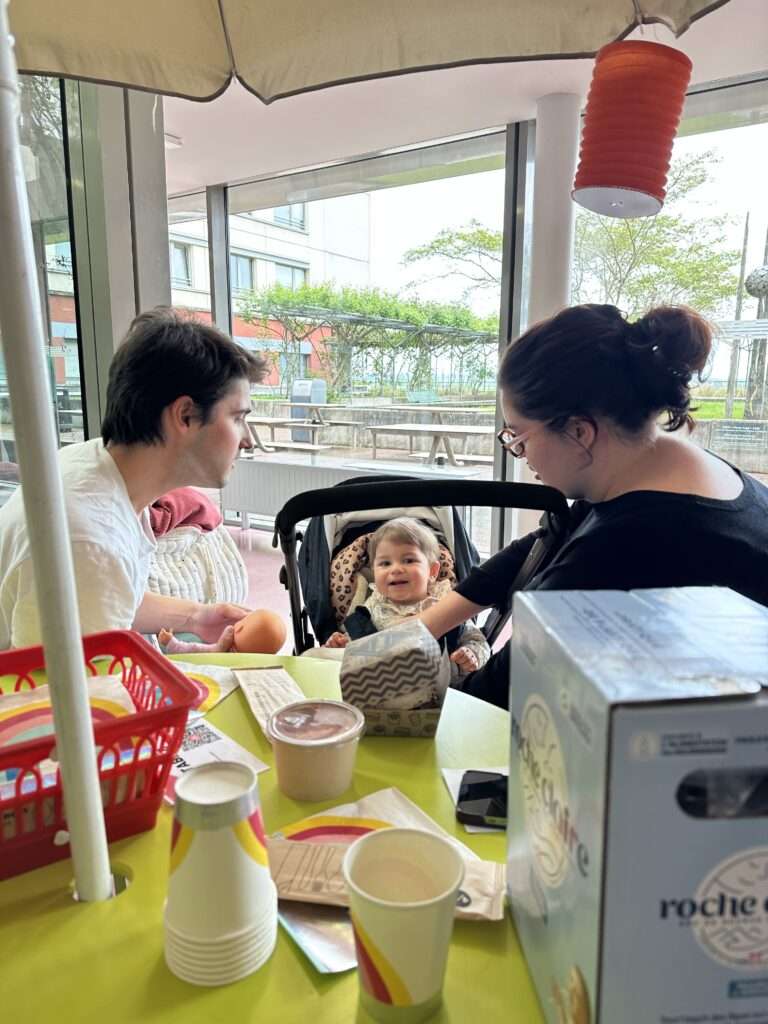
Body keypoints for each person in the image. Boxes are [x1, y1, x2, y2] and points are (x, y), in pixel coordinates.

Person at [419, 303, 768, 708]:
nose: (521, 454)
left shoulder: (626, 547)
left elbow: (497, 697)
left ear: (579, 431)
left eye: (518, 438)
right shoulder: (663, 468)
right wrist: (419, 629)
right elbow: (537, 548)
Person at [0, 308, 269, 649]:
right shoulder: (89, 539)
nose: (247, 440)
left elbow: (105, 596)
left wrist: (197, 617)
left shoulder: (95, 468)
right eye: (238, 418)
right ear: (185, 415)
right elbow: (56, 683)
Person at [326, 516, 490, 678]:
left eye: (409, 560)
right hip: (383, 685)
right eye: (385, 563)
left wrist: (472, 654)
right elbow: (355, 645)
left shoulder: (445, 602)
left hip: (443, 686)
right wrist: (341, 645)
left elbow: (477, 640)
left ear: (432, 572)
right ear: (374, 572)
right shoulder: (371, 609)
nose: (396, 569)